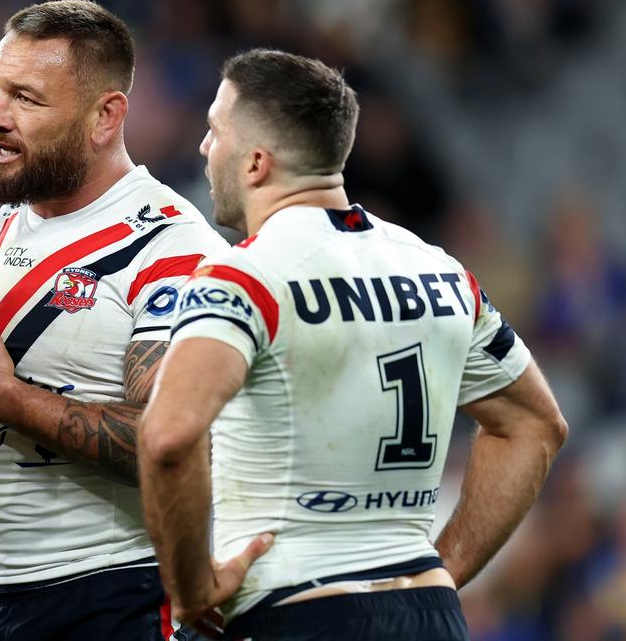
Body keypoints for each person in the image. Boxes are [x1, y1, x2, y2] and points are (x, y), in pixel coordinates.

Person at [138, 49, 569, 640]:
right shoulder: (441, 272)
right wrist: (443, 568)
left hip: (291, 610)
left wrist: (190, 590)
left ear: (257, 162)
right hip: (427, 617)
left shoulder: (244, 278)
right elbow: (535, 425)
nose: (204, 149)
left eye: (215, 131)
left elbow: (167, 438)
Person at [0, 0, 229, 641]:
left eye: (27, 99)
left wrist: (12, 398)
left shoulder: (175, 248)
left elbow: (177, 442)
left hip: (123, 600)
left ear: (106, 116)